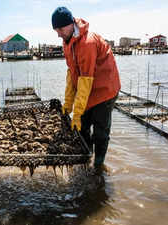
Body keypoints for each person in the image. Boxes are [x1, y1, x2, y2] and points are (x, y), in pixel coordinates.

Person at [51, 7, 121, 172]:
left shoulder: (87, 42)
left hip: (105, 90)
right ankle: (86, 160)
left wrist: (77, 113)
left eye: (60, 29)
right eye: (56, 30)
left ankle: (98, 166)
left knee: (100, 132)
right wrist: (68, 105)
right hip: (88, 89)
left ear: (70, 24)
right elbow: (72, 75)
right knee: (82, 127)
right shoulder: (67, 42)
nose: (58, 34)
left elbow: (85, 80)